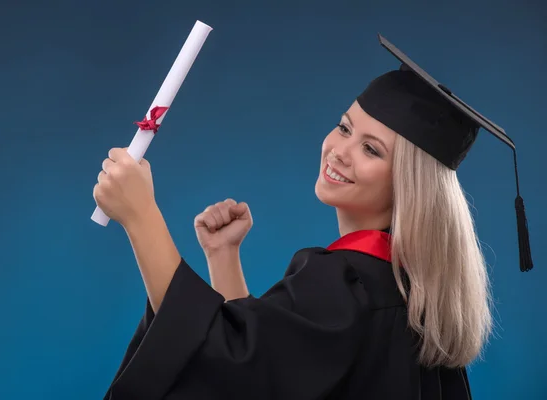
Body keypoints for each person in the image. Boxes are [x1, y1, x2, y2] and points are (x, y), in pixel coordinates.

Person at [93, 34, 533, 399]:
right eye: (344, 127)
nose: (339, 151)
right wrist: (223, 257)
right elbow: (266, 374)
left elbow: (222, 365)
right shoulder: (404, 291)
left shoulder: (346, 283)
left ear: (407, 185)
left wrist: (140, 215)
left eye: (371, 150)